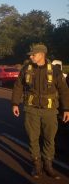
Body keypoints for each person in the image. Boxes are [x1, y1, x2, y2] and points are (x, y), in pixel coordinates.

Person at [11, 44, 69, 179]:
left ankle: (48, 165)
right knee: (33, 139)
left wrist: (66, 109)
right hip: (31, 110)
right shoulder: (26, 69)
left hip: (50, 111)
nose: (31, 56)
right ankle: (37, 165)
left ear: (42, 54)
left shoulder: (55, 71)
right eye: (30, 54)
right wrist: (15, 103)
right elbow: (18, 86)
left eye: (33, 54)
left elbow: (64, 90)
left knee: (50, 139)